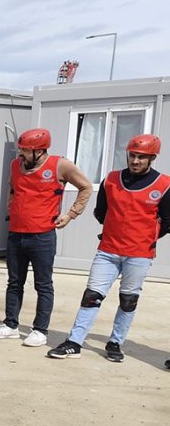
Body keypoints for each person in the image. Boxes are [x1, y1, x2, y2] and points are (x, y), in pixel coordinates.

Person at [48, 134, 169, 362]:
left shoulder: (164, 185)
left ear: (152, 158)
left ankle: (115, 343)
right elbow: (100, 212)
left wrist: (143, 237)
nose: (135, 161)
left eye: (141, 157)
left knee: (128, 300)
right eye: (132, 155)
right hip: (108, 251)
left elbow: (167, 221)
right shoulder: (111, 179)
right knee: (91, 296)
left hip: (140, 254)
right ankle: (74, 342)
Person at [0, 128, 93, 348]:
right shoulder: (16, 165)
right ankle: (11, 325)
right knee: (14, 282)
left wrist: (71, 214)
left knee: (43, 284)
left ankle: (40, 330)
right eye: (21, 149)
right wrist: (11, 206)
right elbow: (12, 188)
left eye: (25, 150)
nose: (21, 154)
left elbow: (86, 187)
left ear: (39, 150)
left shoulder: (60, 165)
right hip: (16, 233)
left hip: (42, 235)